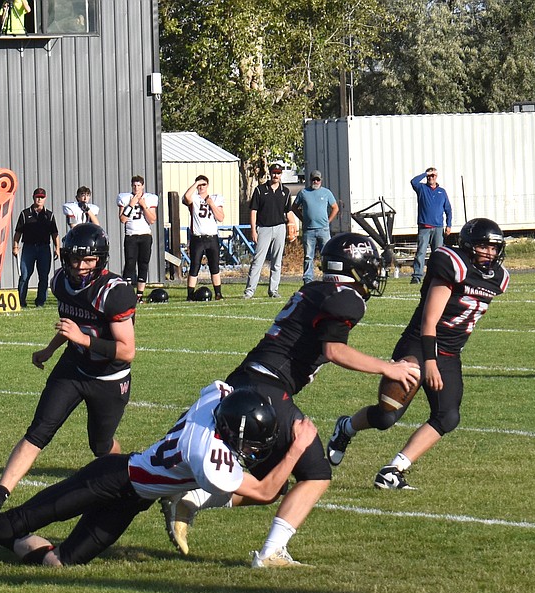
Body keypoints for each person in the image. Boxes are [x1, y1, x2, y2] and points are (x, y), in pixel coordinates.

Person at [162, 233, 420, 566]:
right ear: (355, 268)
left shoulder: (313, 289)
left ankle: (192, 498)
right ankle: (271, 552)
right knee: (316, 474)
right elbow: (334, 350)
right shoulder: (347, 298)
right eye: (370, 267)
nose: (375, 274)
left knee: (274, 484)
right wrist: (390, 368)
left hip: (245, 379)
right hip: (269, 388)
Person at [0, 384, 316, 576]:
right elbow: (262, 491)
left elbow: (226, 389)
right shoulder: (205, 453)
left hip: (133, 497)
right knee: (15, 519)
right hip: (112, 478)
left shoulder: (213, 400)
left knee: (61, 563)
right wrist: (296, 450)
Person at [328, 219, 509, 490]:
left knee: (448, 416)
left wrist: (440, 361)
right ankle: (346, 427)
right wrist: (430, 362)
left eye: (495, 248)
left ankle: (394, 470)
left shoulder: (499, 278)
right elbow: (429, 321)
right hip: (420, 346)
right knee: (387, 416)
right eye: (484, 247)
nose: (490, 254)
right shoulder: (452, 265)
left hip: (449, 353)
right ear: (470, 246)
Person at [0, 223, 136, 516]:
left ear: (101, 259)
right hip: (73, 366)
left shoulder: (115, 291)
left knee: (101, 446)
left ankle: (125, 480)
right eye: (75, 259)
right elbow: (69, 324)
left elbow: (127, 350)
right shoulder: (61, 281)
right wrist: (50, 348)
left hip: (109, 378)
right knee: (39, 430)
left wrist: (83, 339)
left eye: (88, 260)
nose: (81, 266)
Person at [243, 163, 297, 299]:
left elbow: (288, 210)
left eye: (278, 173)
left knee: (277, 262)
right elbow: (253, 211)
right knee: (258, 261)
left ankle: (273, 290)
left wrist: (293, 224)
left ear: (281, 174)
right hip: (264, 228)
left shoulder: (285, 191)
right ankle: (249, 291)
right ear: (270, 173)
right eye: (274, 172)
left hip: (279, 228)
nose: (276, 175)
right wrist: (253, 230)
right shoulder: (260, 190)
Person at [13, 187, 60, 308]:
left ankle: (40, 302)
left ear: (45, 199)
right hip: (29, 248)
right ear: (33, 197)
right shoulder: (25, 214)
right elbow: (18, 232)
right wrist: (15, 245)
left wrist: (57, 248)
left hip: (44, 248)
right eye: (37, 197)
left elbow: (55, 233)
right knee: (24, 276)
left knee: (43, 276)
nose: (39, 199)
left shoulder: (49, 215)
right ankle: (21, 301)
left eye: (42, 197)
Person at [116, 175, 159, 302]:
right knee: (130, 264)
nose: (136, 188)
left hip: (145, 235)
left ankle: (139, 295)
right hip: (131, 235)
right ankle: (127, 294)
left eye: (139, 185)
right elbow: (123, 219)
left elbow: (152, 219)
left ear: (143, 186)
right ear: (131, 186)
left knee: (143, 264)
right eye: (134, 185)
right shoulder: (125, 198)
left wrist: (144, 205)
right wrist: (131, 205)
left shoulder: (150, 199)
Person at [183, 175, 225, 301]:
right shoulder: (194, 198)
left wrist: (211, 204)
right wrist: (195, 184)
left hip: (212, 237)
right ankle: (190, 295)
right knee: (194, 266)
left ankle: (218, 293)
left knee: (214, 266)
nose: (201, 187)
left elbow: (221, 217)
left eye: (203, 185)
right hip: (198, 237)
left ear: (208, 185)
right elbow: (186, 197)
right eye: (199, 185)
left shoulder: (216, 198)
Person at [293, 170, 339, 283]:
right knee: (308, 256)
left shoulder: (326, 193)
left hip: (323, 230)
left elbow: (335, 208)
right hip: (309, 231)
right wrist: (303, 219)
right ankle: (308, 279)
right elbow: (294, 207)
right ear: (310, 180)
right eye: (314, 179)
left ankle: (328, 277)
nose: (316, 181)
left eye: (317, 179)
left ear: (321, 180)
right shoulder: (303, 193)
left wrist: (328, 221)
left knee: (326, 255)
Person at [409, 167, 453, 284]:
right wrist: (425, 173)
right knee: (421, 252)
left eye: (433, 176)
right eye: (429, 176)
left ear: (436, 177)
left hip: (438, 227)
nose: (431, 178)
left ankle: (437, 275)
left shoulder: (442, 192)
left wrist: (449, 225)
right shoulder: (422, 188)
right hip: (424, 227)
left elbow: (448, 209)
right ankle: (417, 276)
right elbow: (413, 182)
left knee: (438, 254)